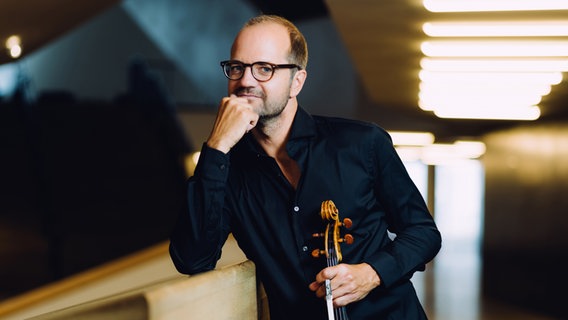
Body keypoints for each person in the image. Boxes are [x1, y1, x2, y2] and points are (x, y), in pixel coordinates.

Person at [169, 14, 442, 319]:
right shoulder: (227, 170)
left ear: (296, 81)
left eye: (264, 69)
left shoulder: (362, 143)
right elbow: (193, 259)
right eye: (237, 67)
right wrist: (216, 147)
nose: (246, 81)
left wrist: (372, 273)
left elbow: (423, 232)